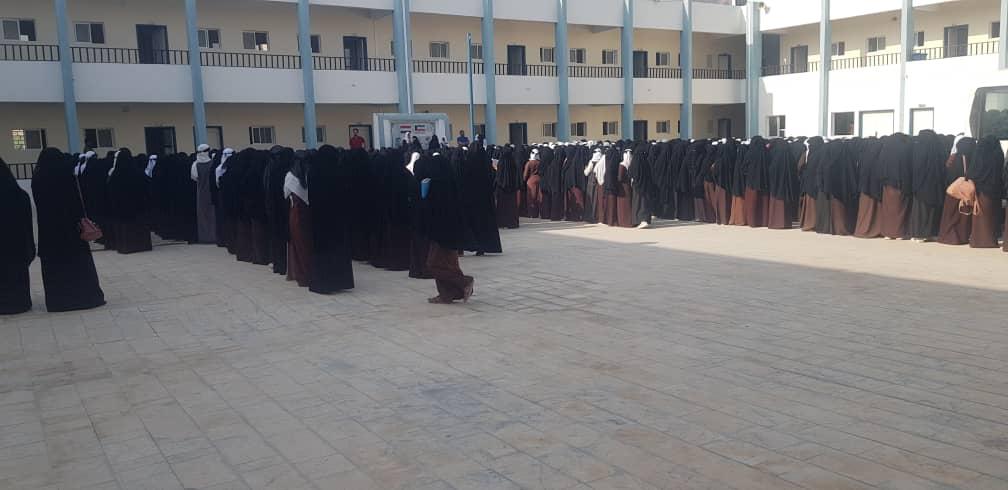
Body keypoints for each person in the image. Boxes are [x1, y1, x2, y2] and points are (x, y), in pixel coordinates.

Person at [31, 148, 106, 312]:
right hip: (71, 232)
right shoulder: (64, 176)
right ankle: (84, 298)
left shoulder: (38, 178)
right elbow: (75, 203)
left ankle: (59, 301)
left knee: (55, 270)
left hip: (50, 233)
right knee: (77, 266)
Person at [412, 152, 474, 304]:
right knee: (448, 264)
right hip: (452, 232)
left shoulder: (437, 188)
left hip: (441, 234)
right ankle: (447, 294)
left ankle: (464, 282)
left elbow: (431, 211)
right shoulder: (451, 184)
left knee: (433, 263)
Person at [308, 145, 355, 293]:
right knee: (337, 249)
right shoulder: (339, 171)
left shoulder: (313, 171)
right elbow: (346, 194)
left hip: (320, 218)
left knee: (323, 250)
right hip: (337, 218)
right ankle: (339, 281)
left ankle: (323, 282)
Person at [0, 158, 35, 315]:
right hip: (17, 249)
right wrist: (29, 250)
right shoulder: (21, 196)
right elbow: (28, 226)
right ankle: (19, 303)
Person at [106, 148, 153, 254]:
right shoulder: (138, 172)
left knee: (125, 228)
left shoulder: (115, 174)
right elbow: (147, 187)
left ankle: (126, 246)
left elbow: (110, 190)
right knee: (139, 226)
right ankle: (142, 245)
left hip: (122, 207)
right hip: (138, 206)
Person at [459, 144, 503, 254]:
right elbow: (493, 178)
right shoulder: (486, 164)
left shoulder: (468, 165)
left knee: (473, 223)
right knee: (484, 224)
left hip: (471, 201)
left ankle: (473, 245)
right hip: (485, 200)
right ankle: (484, 247)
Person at [285, 150, 314, 287]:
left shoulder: (290, 176)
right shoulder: (311, 173)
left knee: (298, 243)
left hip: (295, 213)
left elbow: (285, 194)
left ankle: (302, 274)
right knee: (309, 243)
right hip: (310, 213)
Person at [190, 144, 217, 244]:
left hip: (201, 192)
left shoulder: (195, 164)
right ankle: (214, 236)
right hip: (211, 191)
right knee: (212, 214)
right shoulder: (213, 163)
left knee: (203, 214)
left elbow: (194, 177)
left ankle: (204, 237)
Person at [494, 145, 521, 229]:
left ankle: (502, 223)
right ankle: (512, 223)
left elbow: (499, 175)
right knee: (511, 206)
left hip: (502, 188)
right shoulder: (513, 161)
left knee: (502, 205)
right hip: (512, 188)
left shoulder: (501, 161)